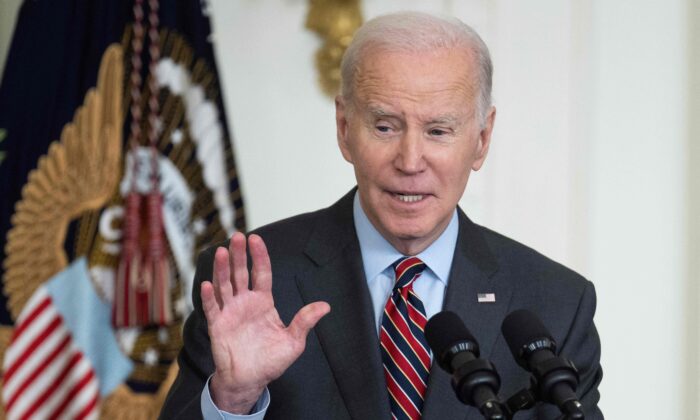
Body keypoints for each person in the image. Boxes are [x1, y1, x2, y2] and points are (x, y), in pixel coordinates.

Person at [160, 11, 603, 420]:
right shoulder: (251, 283)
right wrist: (233, 399)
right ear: (345, 129)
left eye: (438, 131)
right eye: (385, 126)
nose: (410, 161)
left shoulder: (556, 304)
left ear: (482, 139)